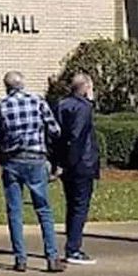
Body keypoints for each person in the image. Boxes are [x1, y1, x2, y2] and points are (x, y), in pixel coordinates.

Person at [0, 71, 63, 272]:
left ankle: (20, 259)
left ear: (6, 86)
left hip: (11, 161)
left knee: (15, 210)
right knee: (43, 209)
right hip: (36, 159)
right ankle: (52, 257)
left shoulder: (0, 105)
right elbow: (55, 130)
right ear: (23, 84)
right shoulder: (37, 101)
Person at [54, 72, 101, 264]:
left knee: (72, 205)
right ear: (86, 88)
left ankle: (72, 244)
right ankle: (73, 248)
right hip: (81, 163)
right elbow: (77, 136)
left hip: (66, 162)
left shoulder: (61, 105)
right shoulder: (83, 108)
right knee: (80, 205)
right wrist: (70, 162)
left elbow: (56, 134)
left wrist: (59, 161)